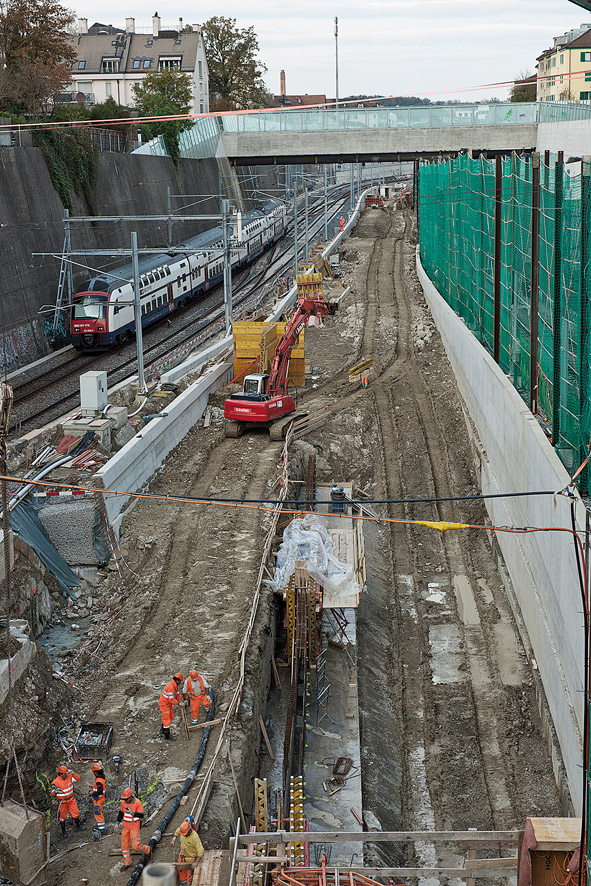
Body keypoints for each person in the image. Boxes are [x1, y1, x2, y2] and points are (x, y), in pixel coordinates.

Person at [117, 787, 150, 869]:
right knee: (124, 844)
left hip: (135, 826)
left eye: (126, 799)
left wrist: (132, 813)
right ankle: (127, 862)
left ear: (131, 797)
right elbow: (121, 812)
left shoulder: (137, 803)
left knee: (136, 846)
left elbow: (141, 815)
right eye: (124, 799)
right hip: (126, 826)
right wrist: (117, 822)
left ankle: (147, 850)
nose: (125, 801)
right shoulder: (123, 802)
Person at [51, 765, 85, 839]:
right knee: (62, 817)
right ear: (60, 774)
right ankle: (64, 832)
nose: (67, 774)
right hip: (62, 803)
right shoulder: (55, 782)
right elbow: (52, 793)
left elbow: (78, 779)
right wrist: (55, 792)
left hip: (71, 800)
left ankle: (78, 826)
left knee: (76, 814)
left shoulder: (70, 777)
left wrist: (73, 774)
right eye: (65, 774)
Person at [170, 818, 205, 884]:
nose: (183, 835)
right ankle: (183, 882)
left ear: (189, 830)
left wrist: (196, 863)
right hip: (182, 855)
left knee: (189, 874)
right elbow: (177, 831)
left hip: (190, 858)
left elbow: (201, 851)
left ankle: (188, 884)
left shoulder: (195, 837)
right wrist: (173, 840)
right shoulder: (182, 830)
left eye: (184, 834)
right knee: (181, 871)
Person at [158, 672, 183, 741]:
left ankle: (163, 730)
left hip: (168, 704)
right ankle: (167, 736)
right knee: (166, 720)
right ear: (177, 680)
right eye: (180, 681)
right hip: (164, 705)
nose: (180, 683)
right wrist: (178, 703)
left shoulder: (175, 685)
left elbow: (177, 694)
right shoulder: (170, 687)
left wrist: (180, 701)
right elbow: (171, 699)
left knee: (170, 717)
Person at [89, 762, 107, 836]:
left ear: (96, 772)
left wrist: (92, 793)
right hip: (101, 798)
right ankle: (101, 826)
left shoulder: (99, 781)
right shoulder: (103, 777)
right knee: (100, 813)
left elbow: (99, 791)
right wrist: (93, 787)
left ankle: (102, 829)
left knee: (98, 814)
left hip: (98, 799)